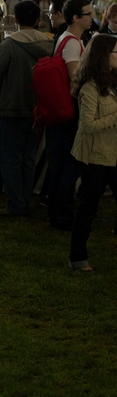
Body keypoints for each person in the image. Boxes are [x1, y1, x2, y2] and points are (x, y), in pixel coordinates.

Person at [0, 0, 53, 217]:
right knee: (28, 158)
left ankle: (16, 203)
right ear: (37, 21)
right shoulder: (48, 44)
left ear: (15, 19)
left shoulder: (11, 44)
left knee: (11, 159)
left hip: (13, 107)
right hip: (37, 108)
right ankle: (24, 198)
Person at [68, 34, 117, 271]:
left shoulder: (113, 81)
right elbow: (87, 125)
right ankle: (77, 257)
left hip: (113, 153)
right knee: (89, 206)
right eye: (115, 52)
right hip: (94, 156)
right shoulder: (90, 87)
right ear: (103, 57)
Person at [47, 0, 90, 231]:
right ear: (76, 18)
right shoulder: (72, 42)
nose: (92, 18)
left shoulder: (67, 38)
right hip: (68, 111)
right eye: (88, 14)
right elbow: (75, 77)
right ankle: (62, 215)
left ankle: (57, 211)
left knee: (61, 164)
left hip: (62, 111)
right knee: (69, 165)